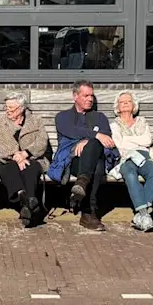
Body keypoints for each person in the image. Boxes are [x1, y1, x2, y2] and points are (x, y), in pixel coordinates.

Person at [50, 80, 117, 232]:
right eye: (85, 95)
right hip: (72, 161)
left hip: (94, 161)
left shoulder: (100, 117)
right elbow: (70, 130)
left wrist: (88, 140)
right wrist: (95, 135)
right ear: (75, 96)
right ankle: (89, 212)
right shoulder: (63, 116)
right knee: (96, 159)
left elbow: (106, 139)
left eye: (91, 96)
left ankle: (82, 184)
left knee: (96, 153)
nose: (90, 99)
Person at [0, 92, 49, 228]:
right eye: (6, 107)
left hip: (32, 158)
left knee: (31, 168)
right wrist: (16, 156)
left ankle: (26, 204)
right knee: (9, 168)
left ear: (21, 108)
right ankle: (27, 199)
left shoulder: (36, 121)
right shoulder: (0, 122)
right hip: (8, 159)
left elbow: (42, 142)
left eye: (11, 108)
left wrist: (26, 153)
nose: (7, 111)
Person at [109, 91, 153, 233]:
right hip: (126, 158)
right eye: (122, 102)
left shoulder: (142, 121)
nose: (126, 103)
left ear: (134, 105)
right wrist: (136, 141)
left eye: (129, 101)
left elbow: (147, 141)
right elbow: (119, 145)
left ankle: (140, 215)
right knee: (130, 175)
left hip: (145, 156)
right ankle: (144, 214)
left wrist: (127, 139)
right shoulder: (114, 125)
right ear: (117, 107)